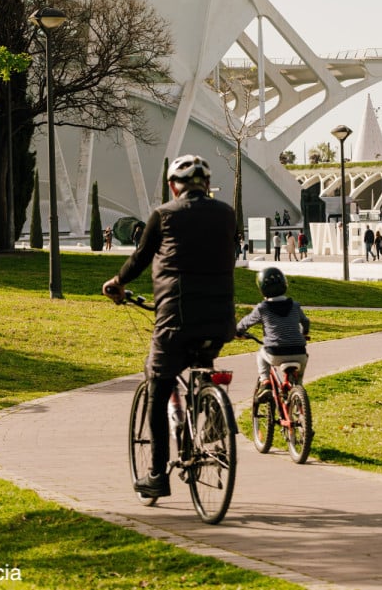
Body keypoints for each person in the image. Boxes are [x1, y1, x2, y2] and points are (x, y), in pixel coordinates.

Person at [102, 154, 236, 499]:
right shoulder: (226, 214)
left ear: (172, 186)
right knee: (203, 366)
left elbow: (140, 258)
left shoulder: (163, 215)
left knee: (158, 386)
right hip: (221, 321)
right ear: (207, 185)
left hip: (176, 320)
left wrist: (117, 282)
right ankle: (212, 412)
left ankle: (157, 474)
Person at [237, 267, 310, 395]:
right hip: (299, 352)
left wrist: (237, 332)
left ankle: (265, 382)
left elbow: (245, 323)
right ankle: (298, 387)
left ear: (262, 288)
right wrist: (304, 333)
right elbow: (306, 322)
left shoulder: (263, 308)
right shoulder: (295, 306)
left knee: (261, 354)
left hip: (275, 353)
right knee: (303, 360)